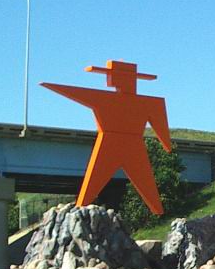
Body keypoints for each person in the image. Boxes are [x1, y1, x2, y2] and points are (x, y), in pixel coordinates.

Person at [43, 60, 172, 213]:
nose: (110, 80)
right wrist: (166, 144)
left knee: (146, 189)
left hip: (117, 145)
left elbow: (161, 127)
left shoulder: (112, 99)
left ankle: (157, 210)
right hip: (126, 145)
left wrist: (166, 143)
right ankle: (157, 210)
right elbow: (161, 127)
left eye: (113, 76)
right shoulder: (151, 102)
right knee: (95, 186)